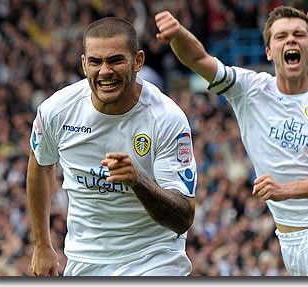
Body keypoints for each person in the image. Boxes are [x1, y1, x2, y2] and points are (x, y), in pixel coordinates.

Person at [155, 5, 308, 276]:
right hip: (291, 242)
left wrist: (285, 190)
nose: (290, 40)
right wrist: (178, 34)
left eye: (299, 35)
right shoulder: (250, 89)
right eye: (281, 36)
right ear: (269, 51)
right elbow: (199, 59)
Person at [27, 17, 197, 276]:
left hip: (153, 258)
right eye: (95, 61)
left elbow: (183, 218)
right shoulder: (57, 111)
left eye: (115, 60)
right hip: (84, 260)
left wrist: (138, 181)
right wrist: (42, 244)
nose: (105, 71)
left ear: (138, 61)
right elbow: (40, 164)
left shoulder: (165, 118)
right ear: (84, 64)